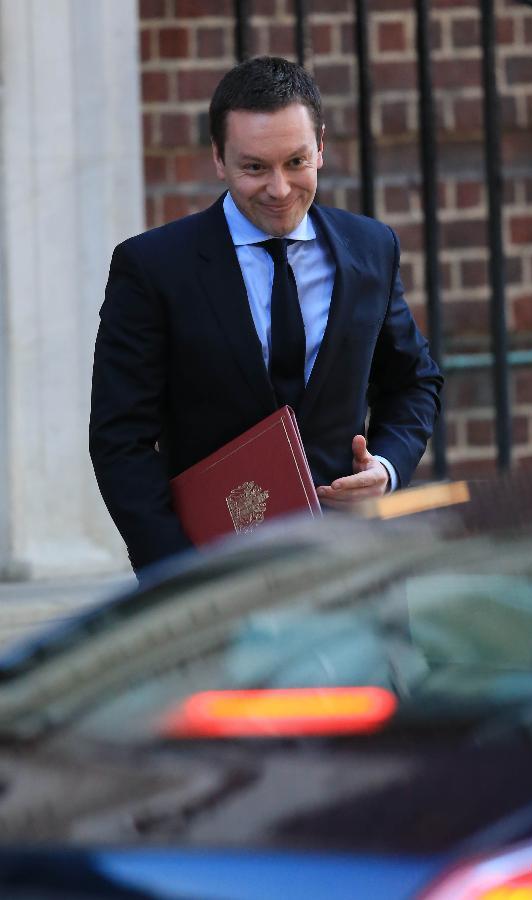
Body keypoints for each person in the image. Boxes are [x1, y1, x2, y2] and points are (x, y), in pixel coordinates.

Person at [90, 56, 443, 576]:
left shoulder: (371, 248)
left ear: (320, 147)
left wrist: (386, 468)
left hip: (351, 568)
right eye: (255, 167)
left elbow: (414, 381)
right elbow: (120, 438)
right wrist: (178, 574)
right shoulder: (151, 268)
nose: (279, 190)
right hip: (215, 578)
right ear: (218, 157)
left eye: (296, 162)